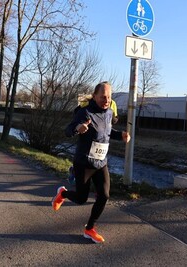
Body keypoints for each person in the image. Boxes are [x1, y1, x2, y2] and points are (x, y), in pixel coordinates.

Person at [52, 81, 130, 243]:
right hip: (84, 163)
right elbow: (68, 130)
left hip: (101, 163)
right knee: (81, 199)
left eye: (109, 97)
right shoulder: (84, 113)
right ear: (94, 96)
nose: (106, 100)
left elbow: (107, 132)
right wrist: (77, 128)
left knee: (104, 195)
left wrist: (120, 135)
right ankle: (63, 193)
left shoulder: (109, 113)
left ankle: (90, 229)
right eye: (103, 97)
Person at [68, 97, 119, 184]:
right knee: (86, 151)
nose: (105, 101)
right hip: (88, 128)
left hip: (101, 138)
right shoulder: (88, 103)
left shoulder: (112, 103)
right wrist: (80, 124)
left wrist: (107, 119)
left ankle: (97, 187)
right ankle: (75, 171)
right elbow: (77, 112)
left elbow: (114, 119)